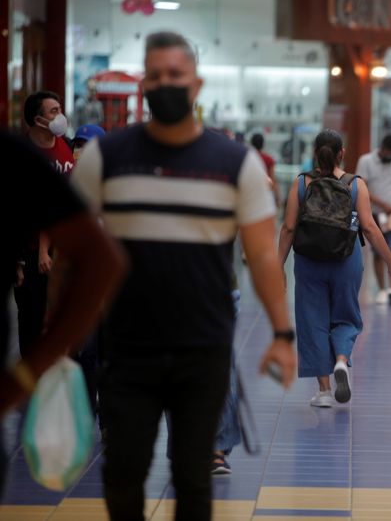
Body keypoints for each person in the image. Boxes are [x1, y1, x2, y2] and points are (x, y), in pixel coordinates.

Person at [71, 31, 297, 521]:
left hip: (203, 347)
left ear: (197, 84)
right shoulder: (105, 158)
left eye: (175, 74)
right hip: (128, 346)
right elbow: (77, 250)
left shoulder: (234, 163)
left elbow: (262, 255)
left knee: (193, 475)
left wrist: (282, 334)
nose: (165, 84)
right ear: (143, 85)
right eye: (155, 76)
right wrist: (63, 337)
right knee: (123, 473)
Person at [1, 134, 126, 493]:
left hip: (104, 297)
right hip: (78, 287)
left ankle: (101, 416)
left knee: (101, 354)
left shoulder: (15, 158)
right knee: (90, 354)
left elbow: (104, 257)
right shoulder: (28, 161)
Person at [278, 129, 391, 408]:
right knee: (346, 316)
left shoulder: (301, 183)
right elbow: (369, 228)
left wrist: (278, 267)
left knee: (312, 320)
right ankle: (340, 360)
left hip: (309, 262)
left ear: (315, 153)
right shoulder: (355, 184)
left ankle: (324, 391)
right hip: (346, 260)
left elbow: (288, 228)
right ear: (342, 154)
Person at [13, 91, 75, 361]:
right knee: (31, 321)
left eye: (60, 109)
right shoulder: (20, 155)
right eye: (53, 111)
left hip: (62, 252)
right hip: (29, 256)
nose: (60, 116)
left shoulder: (67, 147)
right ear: (38, 120)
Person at [355, 134, 391, 305]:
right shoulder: (366, 161)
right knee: (378, 252)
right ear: (382, 148)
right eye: (389, 153)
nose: (390, 156)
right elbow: (360, 187)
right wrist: (381, 204)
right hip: (375, 214)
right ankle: (382, 289)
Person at [251, 133, 281, 207]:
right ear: (263, 144)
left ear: (251, 143)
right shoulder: (268, 159)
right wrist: (277, 197)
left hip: (251, 192)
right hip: (265, 193)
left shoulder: (247, 158)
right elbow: (272, 179)